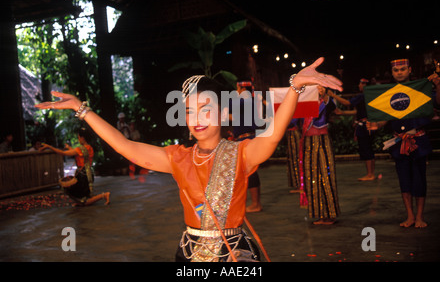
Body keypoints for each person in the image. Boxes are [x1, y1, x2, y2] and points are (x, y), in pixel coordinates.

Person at [35, 57, 342, 262]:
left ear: (223, 114)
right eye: (190, 111)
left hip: (235, 255)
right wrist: (81, 109)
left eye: (205, 110)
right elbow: (124, 145)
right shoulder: (176, 158)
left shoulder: (242, 154)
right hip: (189, 253)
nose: (196, 118)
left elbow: (273, 134)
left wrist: (295, 87)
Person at [367, 59, 440, 228]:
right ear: (392, 73)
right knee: (404, 181)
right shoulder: (389, 93)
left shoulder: (420, 88)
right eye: (396, 70)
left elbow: (438, 103)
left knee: (420, 181)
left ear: (409, 70)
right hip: (399, 143)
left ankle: (420, 216)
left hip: (418, 141)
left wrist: (438, 84)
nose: (399, 72)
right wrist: (375, 124)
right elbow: (384, 118)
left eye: (402, 69)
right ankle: (410, 216)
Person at [40, 127, 110, 206]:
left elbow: (64, 153)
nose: (78, 139)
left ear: (82, 138)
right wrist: (69, 148)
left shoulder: (79, 149)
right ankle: (81, 201)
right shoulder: (89, 148)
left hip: (83, 176)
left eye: (78, 137)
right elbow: (78, 154)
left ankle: (104, 195)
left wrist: (49, 147)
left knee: (84, 200)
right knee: (83, 195)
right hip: (88, 174)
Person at [301, 86, 340, 225]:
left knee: (326, 175)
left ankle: (330, 214)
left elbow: (331, 107)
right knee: (312, 177)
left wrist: (326, 95)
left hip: (322, 141)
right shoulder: (304, 101)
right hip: (308, 142)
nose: (319, 89)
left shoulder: (326, 101)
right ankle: (320, 214)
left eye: (321, 86)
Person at [328, 78, 378, 181]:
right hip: (368, 124)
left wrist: (333, 95)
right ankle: (371, 173)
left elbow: (347, 103)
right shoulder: (370, 96)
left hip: (365, 126)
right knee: (369, 149)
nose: (359, 85)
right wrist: (343, 112)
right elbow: (358, 112)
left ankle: (370, 174)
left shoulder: (362, 95)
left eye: (361, 83)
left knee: (366, 149)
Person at [230, 80, 262, 213]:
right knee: (247, 172)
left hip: (247, 139)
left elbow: (232, 105)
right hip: (244, 138)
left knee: (250, 172)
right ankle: (254, 203)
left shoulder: (246, 99)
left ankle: (256, 203)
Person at [286, 118, 301, 192]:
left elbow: (291, 122)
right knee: (293, 158)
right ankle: (297, 184)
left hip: (293, 133)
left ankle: (299, 184)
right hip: (291, 133)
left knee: (295, 158)